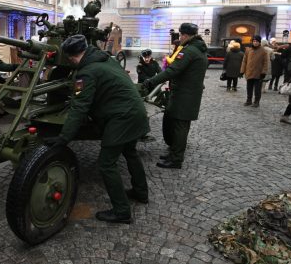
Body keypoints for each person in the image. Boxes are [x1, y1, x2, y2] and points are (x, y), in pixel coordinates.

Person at [48, 35, 149, 224]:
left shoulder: (86, 72)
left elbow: (79, 107)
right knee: (130, 152)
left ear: (70, 57)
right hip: (135, 113)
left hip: (121, 119)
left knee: (106, 163)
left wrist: (64, 138)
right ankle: (141, 192)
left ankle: (122, 211)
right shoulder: (105, 59)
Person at [142, 22, 208, 169]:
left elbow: (172, 71)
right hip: (188, 93)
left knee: (180, 127)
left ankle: (176, 159)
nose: (180, 38)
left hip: (185, 94)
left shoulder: (189, 51)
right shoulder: (198, 48)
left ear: (185, 35)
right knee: (179, 124)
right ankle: (173, 153)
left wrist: (151, 81)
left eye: (181, 35)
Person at [240, 35, 268, 107]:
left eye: (257, 41)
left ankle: (256, 102)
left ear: (259, 42)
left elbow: (266, 62)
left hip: (258, 73)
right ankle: (249, 100)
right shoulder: (248, 50)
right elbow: (244, 61)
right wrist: (242, 70)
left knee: (257, 89)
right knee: (249, 87)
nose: (255, 43)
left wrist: (264, 72)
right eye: (254, 41)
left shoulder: (263, 51)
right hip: (249, 72)